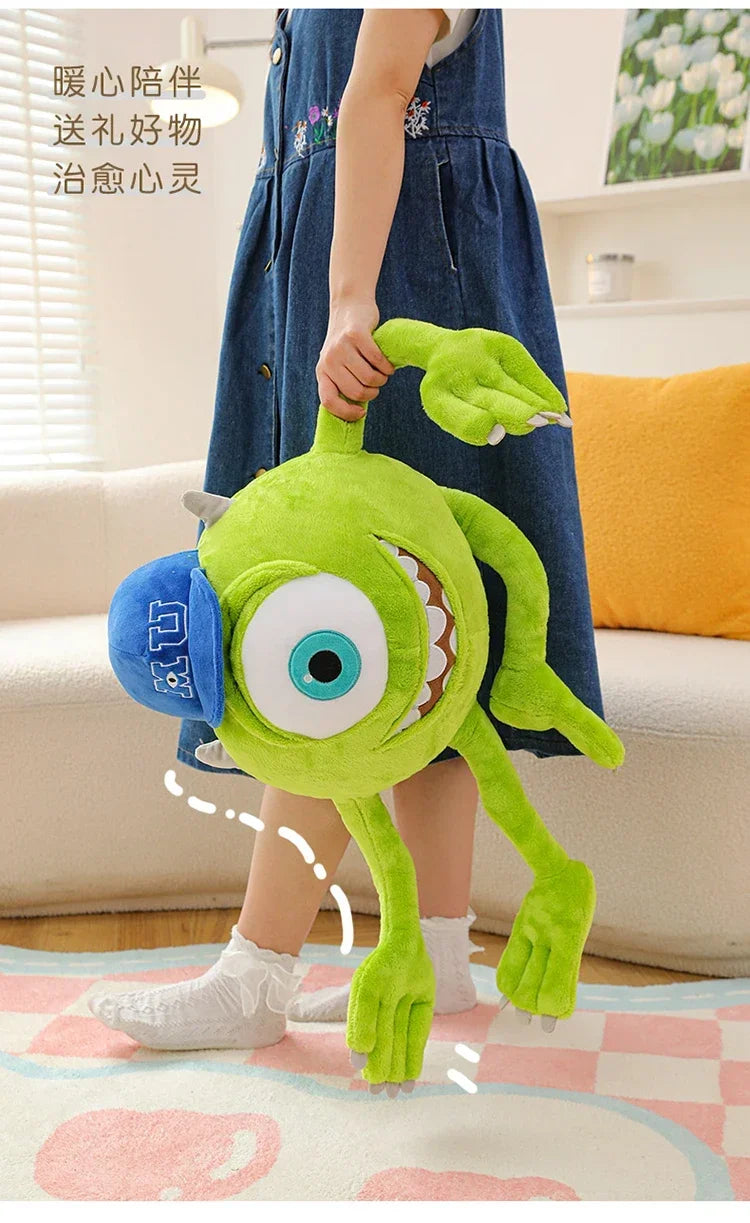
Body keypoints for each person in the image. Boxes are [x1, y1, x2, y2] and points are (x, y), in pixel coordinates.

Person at [90, 9, 605, 1051]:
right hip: (341, 278)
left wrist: (349, 297)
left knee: (329, 613)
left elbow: (377, 91)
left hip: (398, 278)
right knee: (422, 631)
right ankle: (442, 955)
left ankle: (258, 969)